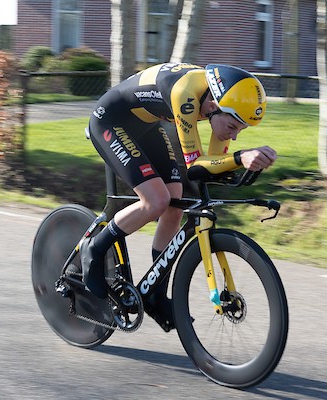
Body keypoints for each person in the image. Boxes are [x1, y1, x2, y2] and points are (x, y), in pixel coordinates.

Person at [81, 63, 277, 331]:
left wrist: (243, 162)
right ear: (214, 104)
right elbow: (196, 166)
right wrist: (240, 157)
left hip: (147, 125)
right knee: (156, 200)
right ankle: (95, 248)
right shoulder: (185, 93)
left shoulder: (212, 100)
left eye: (240, 131)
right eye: (232, 125)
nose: (233, 134)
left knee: (175, 204)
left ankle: (155, 293)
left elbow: (213, 162)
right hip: (111, 122)